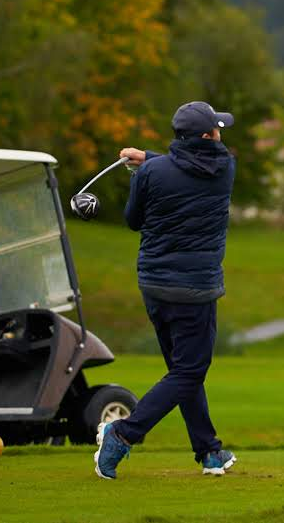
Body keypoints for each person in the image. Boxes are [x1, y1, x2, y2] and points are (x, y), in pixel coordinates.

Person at [94, 100, 238, 480]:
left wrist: (146, 165)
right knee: (189, 372)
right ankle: (122, 433)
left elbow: (132, 220)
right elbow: (190, 169)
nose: (221, 134)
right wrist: (151, 160)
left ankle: (209, 451)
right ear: (207, 136)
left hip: (154, 286)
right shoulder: (225, 168)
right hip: (196, 291)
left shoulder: (152, 172)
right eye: (217, 129)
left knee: (182, 370)